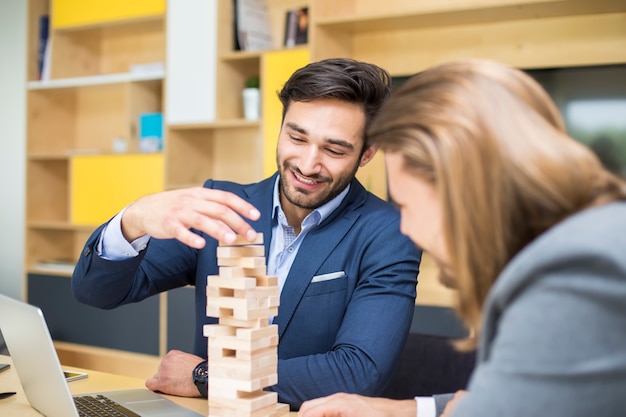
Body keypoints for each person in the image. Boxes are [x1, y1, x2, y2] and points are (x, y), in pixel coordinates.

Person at [71, 58, 422, 409]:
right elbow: (97, 293)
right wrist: (134, 220)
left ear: (367, 153)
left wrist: (208, 375)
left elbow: (359, 372)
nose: (307, 164)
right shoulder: (221, 206)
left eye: (334, 150)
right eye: (296, 137)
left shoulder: (389, 232)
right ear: (281, 126)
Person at [297, 58, 626, 417]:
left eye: (406, 205)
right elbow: (520, 396)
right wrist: (406, 411)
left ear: (464, 192)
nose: (406, 229)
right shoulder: (587, 240)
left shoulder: (573, 275)